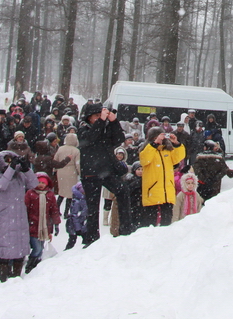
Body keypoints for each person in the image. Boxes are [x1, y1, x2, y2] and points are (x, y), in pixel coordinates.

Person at [77, 103, 132, 245]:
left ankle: (126, 228)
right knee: (93, 207)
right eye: (96, 116)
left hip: (106, 170)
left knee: (123, 190)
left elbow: (118, 139)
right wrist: (101, 121)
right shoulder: (83, 128)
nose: (100, 118)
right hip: (90, 173)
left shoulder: (105, 127)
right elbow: (90, 139)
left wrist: (114, 122)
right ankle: (91, 238)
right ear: (89, 117)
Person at [0, 150, 38, 280]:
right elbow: (2, 186)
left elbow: (34, 184)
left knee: (20, 247)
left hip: (20, 216)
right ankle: (3, 278)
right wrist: (11, 169)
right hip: (5, 216)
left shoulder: (20, 176)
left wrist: (26, 168)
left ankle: (16, 276)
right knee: (4, 249)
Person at [139, 127, 185, 227]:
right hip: (152, 192)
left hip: (167, 193)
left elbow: (178, 158)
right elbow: (144, 160)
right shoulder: (147, 150)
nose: (160, 139)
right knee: (150, 224)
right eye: (157, 137)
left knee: (167, 224)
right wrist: (154, 144)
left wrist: (176, 143)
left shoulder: (168, 151)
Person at [24, 172, 60, 273]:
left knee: (41, 248)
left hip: (45, 226)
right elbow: (25, 208)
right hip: (33, 225)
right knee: (37, 249)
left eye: (43, 183)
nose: (41, 185)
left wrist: (56, 224)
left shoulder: (50, 195)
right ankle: (30, 265)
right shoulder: (30, 193)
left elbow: (54, 210)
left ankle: (35, 267)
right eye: (39, 182)